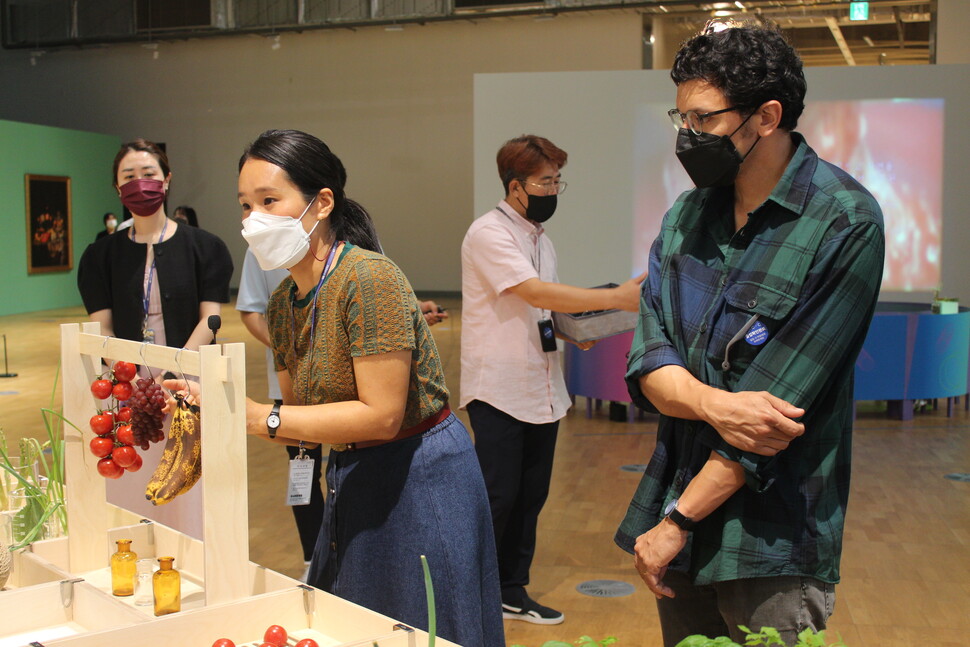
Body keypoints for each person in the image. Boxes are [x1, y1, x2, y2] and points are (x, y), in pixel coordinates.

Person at [614, 23, 885, 647]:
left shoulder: (844, 221)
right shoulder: (686, 215)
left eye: (704, 119)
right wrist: (713, 403)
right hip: (679, 519)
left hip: (773, 540)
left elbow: (772, 418)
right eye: (679, 118)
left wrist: (678, 520)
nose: (688, 136)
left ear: (767, 116)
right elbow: (650, 362)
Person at [230, 129, 503, 647]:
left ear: (322, 202)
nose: (252, 221)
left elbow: (381, 414)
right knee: (365, 624)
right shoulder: (284, 304)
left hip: (420, 475)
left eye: (269, 201)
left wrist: (258, 417)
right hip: (354, 472)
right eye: (245, 206)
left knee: (429, 624)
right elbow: (302, 418)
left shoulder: (368, 277)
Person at [460, 134, 644, 625]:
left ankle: (510, 589)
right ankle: (474, 591)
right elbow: (532, 289)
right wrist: (615, 299)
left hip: (541, 386)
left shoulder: (540, 238)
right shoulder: (488, 233)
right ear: (516, 186)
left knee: (531, 495)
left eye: (558, 180)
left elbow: (539, 307)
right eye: (546, 180)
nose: (554, 189)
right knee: (498, 495)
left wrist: (574, 329)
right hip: (499, 387)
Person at [77, 139, 233, 352]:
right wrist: (128, 374)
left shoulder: (207, 247)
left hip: (191, 374)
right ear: (118, 187)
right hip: (127, 377)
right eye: (129, 177)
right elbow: (102, 327)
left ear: (166, 179)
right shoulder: (98, 256)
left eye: (149, 174)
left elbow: (210, 319)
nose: (139, 183)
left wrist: (178, 368)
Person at [236, 247, 324, 582]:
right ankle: (310, 558)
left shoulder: (350, 232)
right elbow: (250, 310)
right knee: (303, 466)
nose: (253, 214)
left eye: (268, 199)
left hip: (347, 386)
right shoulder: (260, 243)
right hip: (289, 385)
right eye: (246, 204)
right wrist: (287, 347)